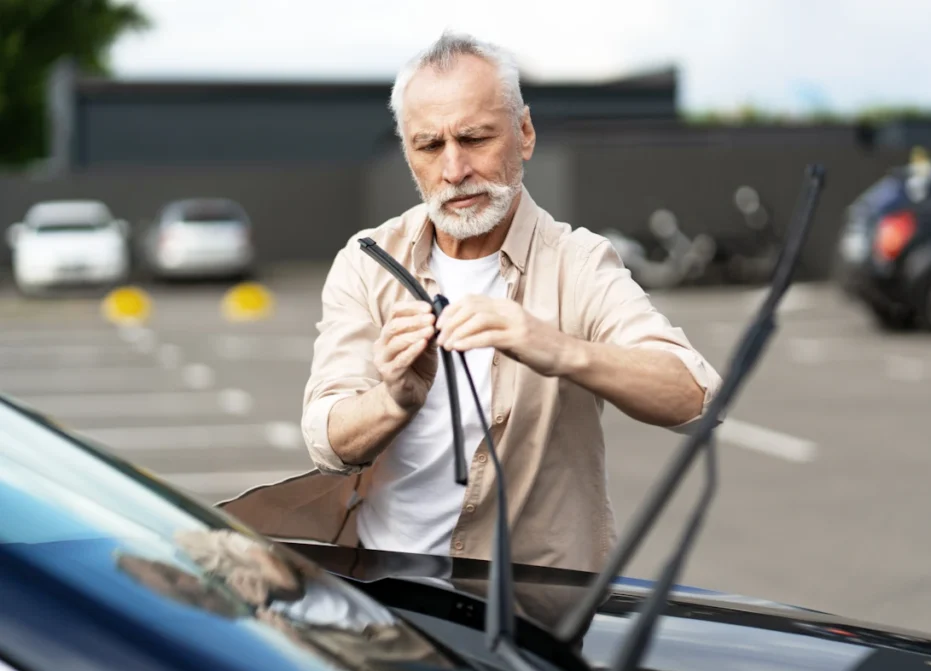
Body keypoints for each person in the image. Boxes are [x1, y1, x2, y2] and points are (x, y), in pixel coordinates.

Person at [235, 31, 722, 574]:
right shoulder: (368, 259)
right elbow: (325, 438)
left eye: (474, 138)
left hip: (533, 608)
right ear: (408, 153)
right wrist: (394, 400)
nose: (453, 170)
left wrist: (556, 349)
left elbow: (696, 396)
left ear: (525, 133)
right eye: (429, 146)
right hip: (388, 595)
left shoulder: (577, 261)